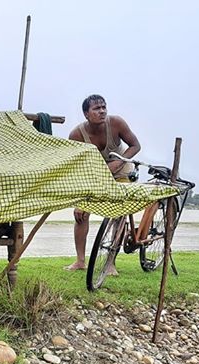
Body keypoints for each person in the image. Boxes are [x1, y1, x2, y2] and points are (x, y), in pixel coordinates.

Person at [64, 95, 142, 274]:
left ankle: (110, 263)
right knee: (81, 214)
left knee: (119, 214)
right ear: (86, 114)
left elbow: (135, 145)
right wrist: (80, 201)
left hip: (121, 169)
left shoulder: (116, 123)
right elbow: (77, 167)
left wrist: (120, 161)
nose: (102, 111)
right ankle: (80, 261)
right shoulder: (77, 135)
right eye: (96, 109)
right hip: (93, 174)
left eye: (103, 107)